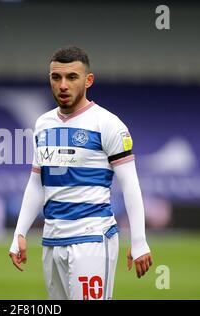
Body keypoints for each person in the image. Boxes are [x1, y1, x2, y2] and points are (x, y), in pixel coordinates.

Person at [8, 46, 153, 300]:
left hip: (92, 240)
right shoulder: (43, 125)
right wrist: (19, 232)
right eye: (56, 77)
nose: (63, 85)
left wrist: (139, 241)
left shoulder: (107, 124)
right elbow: (36, 182)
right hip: (51, 241)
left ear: (88, 80)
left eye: (72, 77)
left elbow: (130, 184)